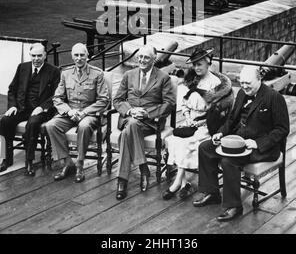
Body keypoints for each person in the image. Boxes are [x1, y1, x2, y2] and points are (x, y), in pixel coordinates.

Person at [193, 65, 290, 222]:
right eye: (242, 83)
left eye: (248, 83)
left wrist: (257, 143)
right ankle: (212, 193)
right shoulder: (241, 93)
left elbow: (282, 129)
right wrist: (221, 133)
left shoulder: (274, 98)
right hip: (237, 140)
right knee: (205, 148)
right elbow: (231, 120)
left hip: (261, 147)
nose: (244, 86)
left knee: (228, 160)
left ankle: (234, 206)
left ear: (260, 79)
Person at [162, 48, 233, 200]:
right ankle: (183, 184)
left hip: (207, 126)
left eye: (200, 64)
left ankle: (177, 183)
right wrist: (187, 118)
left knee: (187, 141)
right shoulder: (191, 80)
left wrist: (199, 123)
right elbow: (185, 105)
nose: (197, 68)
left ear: (208, 63)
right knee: (175, 139)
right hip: (191, 122)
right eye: (195, 65)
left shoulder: (216, 84)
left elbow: (216, 113)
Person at [113, 44, 176, 200]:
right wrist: (130, 111)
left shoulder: (163, 78)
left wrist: (147, 113)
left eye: (146, 57)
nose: (142, 60)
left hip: (150, 122)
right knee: (132, 124)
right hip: (129, 117)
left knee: (128, 132)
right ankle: (143, 167)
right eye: (140, 56)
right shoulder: (129, 75)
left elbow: (169, 104)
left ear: (154, 59)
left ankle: (122, 180)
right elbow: (117, 100)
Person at [46, 43, 109, 183]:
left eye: (82, 55)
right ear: (72, 56)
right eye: (76, 55)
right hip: (70, 113)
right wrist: (69, 111)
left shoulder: (97, 73)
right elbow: (57, 98)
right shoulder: (66, 73)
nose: (79, 58)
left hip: (90, 114)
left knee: (85, 126)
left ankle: (80, 163)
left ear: (88, 56)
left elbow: (103, 100)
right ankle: (68, 162)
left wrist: (84, 112)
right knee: (51, 125)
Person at [0, 43, 60, 175]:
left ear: (45, 55)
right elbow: (12, 89)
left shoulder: (54, 71)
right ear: (30, 55)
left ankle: (29, 161)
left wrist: (42, 107)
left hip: (41, 110)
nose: (36, 59)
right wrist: (13, 106)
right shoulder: (22, 67)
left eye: (39, 55)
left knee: (32, 123)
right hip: (22, 108)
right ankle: (6, 158)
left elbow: (57, 95)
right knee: (5, 120)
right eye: (34, 55)